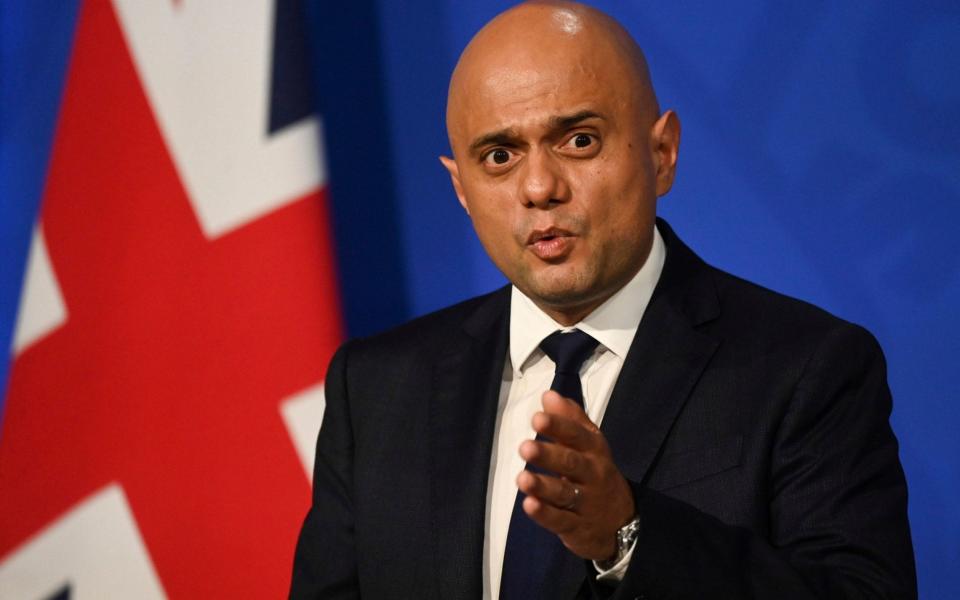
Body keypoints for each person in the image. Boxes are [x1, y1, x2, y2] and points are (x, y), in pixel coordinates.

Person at [290, 1, 916, 598]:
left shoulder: (806, 368)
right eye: (500, 156)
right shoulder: (377, 388)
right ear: (461, 188)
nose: (539, 187)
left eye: (579, 140)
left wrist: (629, 535)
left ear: (661, 153)